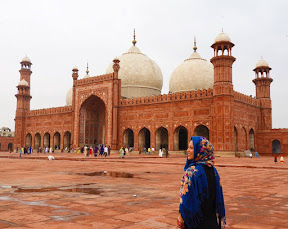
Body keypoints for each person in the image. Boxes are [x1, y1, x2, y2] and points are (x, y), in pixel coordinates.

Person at [177, 136, 226, 229]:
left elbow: (186, 202)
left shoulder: (191, 172)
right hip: (211, 222)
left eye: (191, 148)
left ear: (199, 151)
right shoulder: (214, 171)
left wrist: (180, 219)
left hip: (195, 223)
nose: (187, 150)